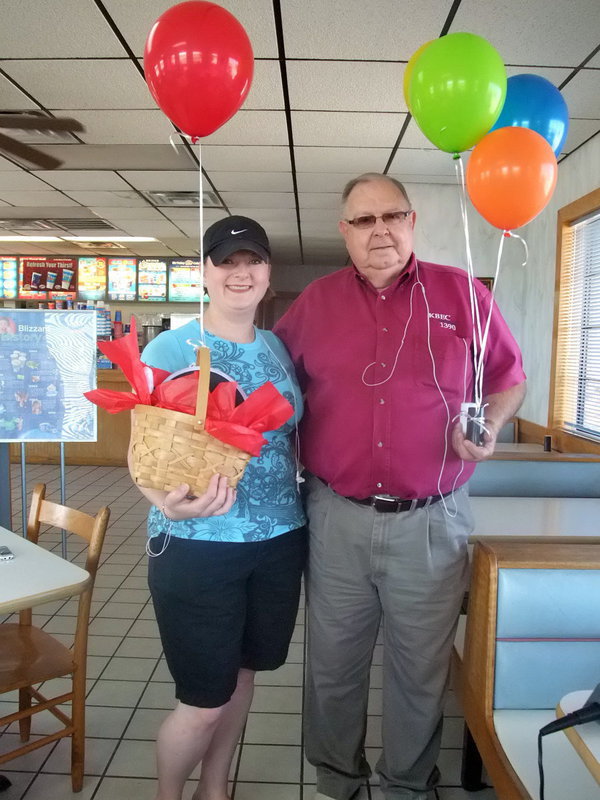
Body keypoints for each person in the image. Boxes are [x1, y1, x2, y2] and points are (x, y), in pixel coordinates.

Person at [274, 173, 527, 800]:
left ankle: (406, 786)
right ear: (345, 231)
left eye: (393, 216)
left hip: (434, 521)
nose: (380, 230)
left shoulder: (464, 295)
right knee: (333, 667)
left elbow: (509, 377)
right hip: (336, 516)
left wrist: (491, 420)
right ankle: (337, 780)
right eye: (364, 220)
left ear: (412, 222)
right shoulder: (314, 305)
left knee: (420, 671)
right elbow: (272, 392)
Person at [129, 216, 307, 800]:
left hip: (279, 541)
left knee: (244, 677)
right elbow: (141, 453)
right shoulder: (173, 347)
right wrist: (168, 507)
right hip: (197, 548)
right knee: (202, 702)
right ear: (204, 271)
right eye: (225, 262)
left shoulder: (276, 346)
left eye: (251, 261)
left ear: (267, 273)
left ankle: (215, 788)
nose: (240, 273)